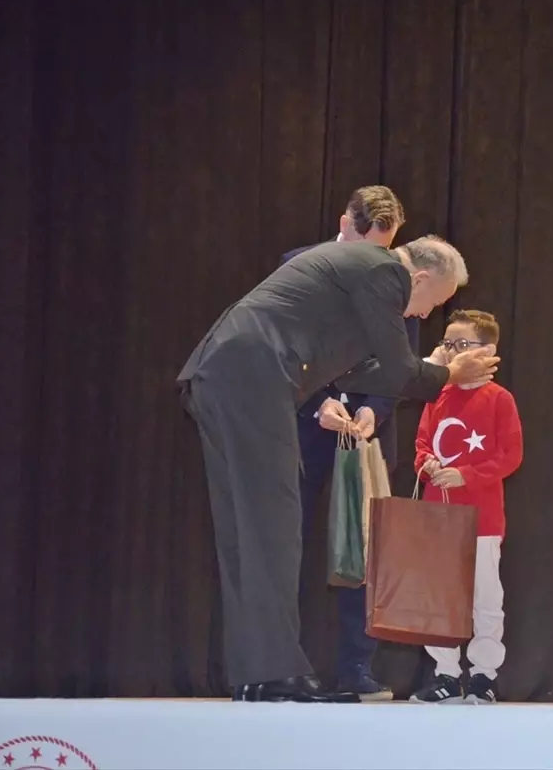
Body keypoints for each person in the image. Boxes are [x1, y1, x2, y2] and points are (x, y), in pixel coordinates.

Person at [176, 235, 500, 703]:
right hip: (253, 377)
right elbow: (400, 371)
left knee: (246, 532)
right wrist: (450, 373)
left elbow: (357, 373)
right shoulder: (385, 272)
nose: (426, 316)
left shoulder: (359, 277)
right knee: (274, 525)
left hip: (226, 375)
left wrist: (432, 369)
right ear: (422, 278)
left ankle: (256, 673)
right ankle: (276, 671)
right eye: (435, 303)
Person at [280, 186, 419, 701]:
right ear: (345, 224)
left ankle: (356, 669)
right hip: (303, 425)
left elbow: (401, 364)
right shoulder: (299, 267)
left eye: (384, 249)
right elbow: (283, 349)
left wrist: (373, 410)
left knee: (360, 550)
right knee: (284, 544)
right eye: (367, 246)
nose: (373, 260)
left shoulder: (394, 278)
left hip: (361, 435)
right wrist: (318, 401)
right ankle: (280, 666)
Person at [406, 310, 524, 705]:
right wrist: (428, 465)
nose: (451, 351)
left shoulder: (498, 399)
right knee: (440, 597)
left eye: (461, 344)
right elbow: (422, 444)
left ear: (488, 352)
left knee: (485, 598)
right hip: (438, 518)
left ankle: (484, 675)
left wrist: (466, 475)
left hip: (482, 520)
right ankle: (445, 672)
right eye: (447, 344)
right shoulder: (437, 395)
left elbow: (511, 456)